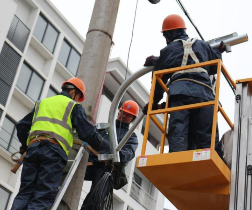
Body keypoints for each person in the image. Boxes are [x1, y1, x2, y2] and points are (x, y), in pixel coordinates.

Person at [11, 77, 103, 210]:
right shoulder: (73, 106)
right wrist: (102, 144)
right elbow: (87, 132)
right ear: (73, 93)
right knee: (43, 195)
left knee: (25, 192)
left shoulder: (42, 103)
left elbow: (22, 126)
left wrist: (25, 146)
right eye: (77, 97)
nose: (77, 100)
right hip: (53, 152)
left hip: (33, 149)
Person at [143, 14, 226, 155]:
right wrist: (219, 50)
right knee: (207, 138)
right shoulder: (203, 45)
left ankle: (177, 163)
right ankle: (211, 166)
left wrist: (152, 103)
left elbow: (158, 81)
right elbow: (215, 65)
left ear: (169, 34)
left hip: (179, 94)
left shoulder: (168, 51)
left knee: (179, 134)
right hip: (205, 95)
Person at [81, 100, 139, 210]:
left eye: (129, 115)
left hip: (107, 169)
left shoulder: (130, 137)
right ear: (119, 112)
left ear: (132, 119)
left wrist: (114, 154)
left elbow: (129, 153)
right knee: (66, 175)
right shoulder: (104, 128)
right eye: (124, 113)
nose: (125, 116)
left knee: (95, 199)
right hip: (90, 162)